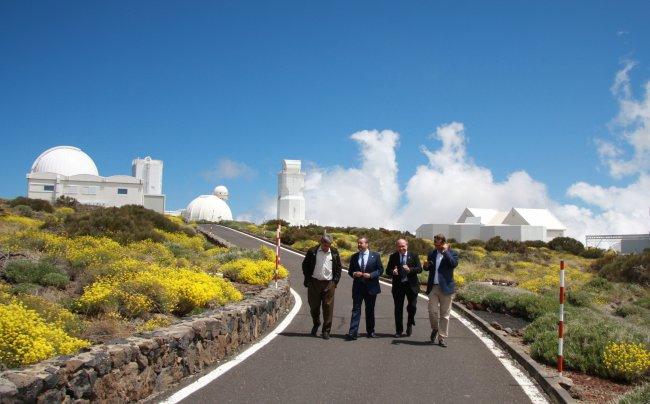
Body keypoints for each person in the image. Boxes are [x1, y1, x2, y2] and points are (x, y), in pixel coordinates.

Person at [301, 234, 342, 340]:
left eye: (329, 245)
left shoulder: (334, 252)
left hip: (329, 284)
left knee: (328, 307)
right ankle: (316, 323)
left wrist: (335, 282)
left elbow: (338, 268)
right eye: (325, 245)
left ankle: (326, 330)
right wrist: (308, 279)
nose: (326, 247)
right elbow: (305, 265)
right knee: (314, 306)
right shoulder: (312, 251)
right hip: (314, 282)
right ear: (321, 242)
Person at [424, 234, 459, 347]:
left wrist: (445, 252)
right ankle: (435, 328)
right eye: (435, 243)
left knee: (445, 315)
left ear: (444, 243)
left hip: (446, 288)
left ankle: (442, 337)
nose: (436, 246)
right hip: (433, 287)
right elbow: (428, 268)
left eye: (438, 244)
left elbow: (453, 264)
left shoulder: (452, 253)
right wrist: (426, 266)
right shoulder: (432, 253)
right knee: (432, 311)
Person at [346, 237, 383, 340]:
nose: (359, 245)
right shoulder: (354, 256)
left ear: (367, 244)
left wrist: (371, 275)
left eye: (361, 243)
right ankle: (353, 332)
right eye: (358, 243)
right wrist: (354, 273)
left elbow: (380, 270)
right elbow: (350, 271)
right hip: (358, 287)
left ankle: (370, 331)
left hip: (371, 287)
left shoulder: (375, 256)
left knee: (370, 310)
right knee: (356, 309)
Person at [386, 238, 422, 338]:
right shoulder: (393, 256)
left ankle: (410, 323)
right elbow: (387, 270)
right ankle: (399, 330)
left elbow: (419, 269)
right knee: (398, 308)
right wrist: (393, 272)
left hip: (411, 286)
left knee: (412, 307)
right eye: (399, 246)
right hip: (398, 286)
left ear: (407, 246)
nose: (401, 248)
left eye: (403, 246)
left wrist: (410, 269)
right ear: (396, 247)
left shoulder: (414, 255)